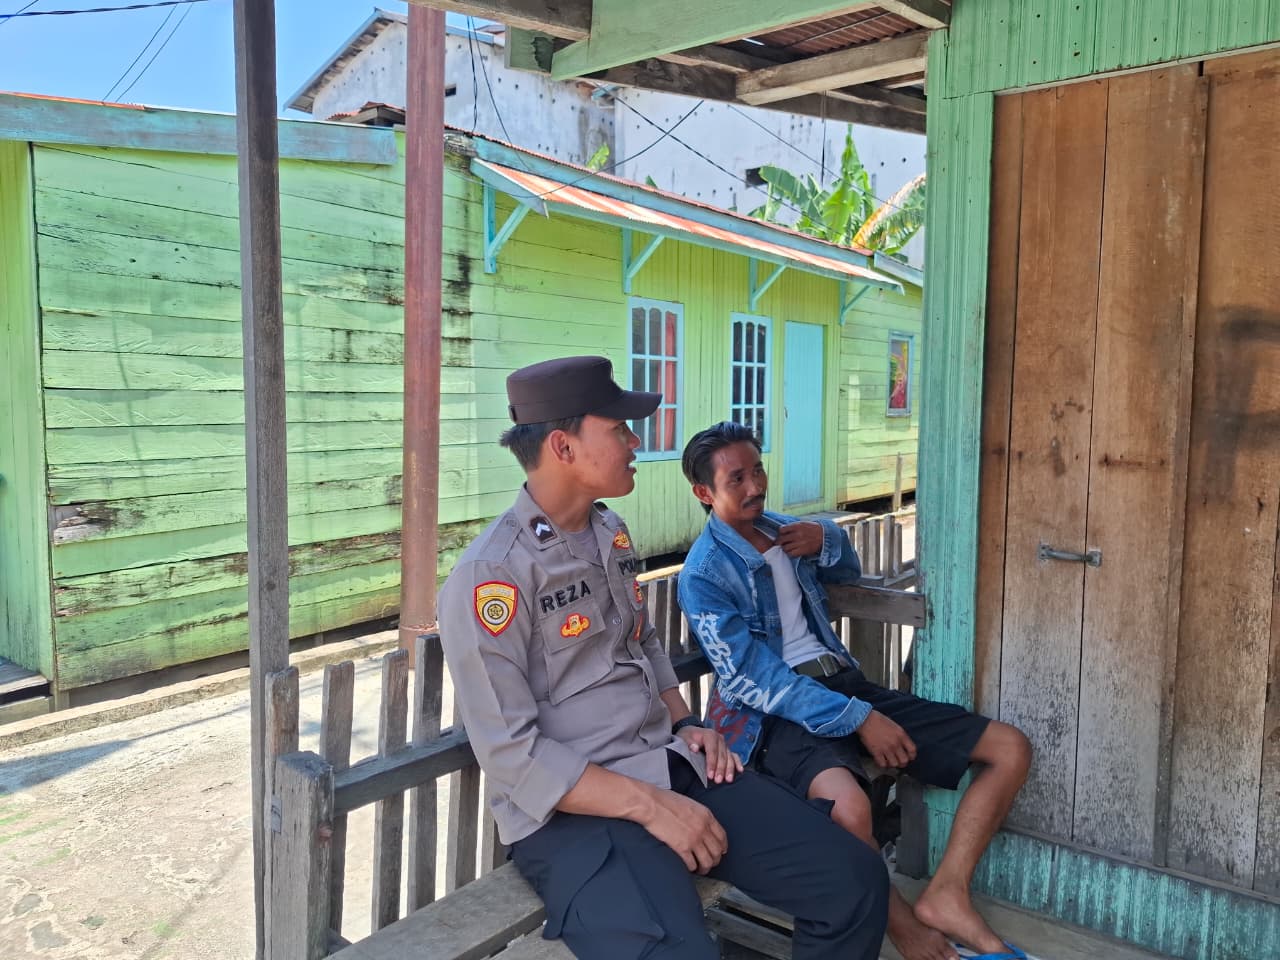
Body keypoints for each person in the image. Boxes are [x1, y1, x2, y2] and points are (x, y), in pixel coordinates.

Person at [437, 358, 890, 960]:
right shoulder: (491, 574)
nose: (635, 442)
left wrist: (685, 721)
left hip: (667, 763)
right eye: (618, 429)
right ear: (563, 446)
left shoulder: (609, 532)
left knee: (854, 881)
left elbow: (640, 639)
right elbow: (511, 755)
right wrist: (652, 807)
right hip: (569, 812)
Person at [677, 421, 1034, 960]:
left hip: (844, 684)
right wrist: (858, 718)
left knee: (1009, 749)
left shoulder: (784, 532)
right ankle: (907, 930)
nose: (755, 487)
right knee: (850, 810)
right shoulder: (703, 573)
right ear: (705, 492)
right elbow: (751, 678)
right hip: (776, 718)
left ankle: (947, 894)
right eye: (737, 480)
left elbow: (849, 568)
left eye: (758, 470)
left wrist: (827, 539)